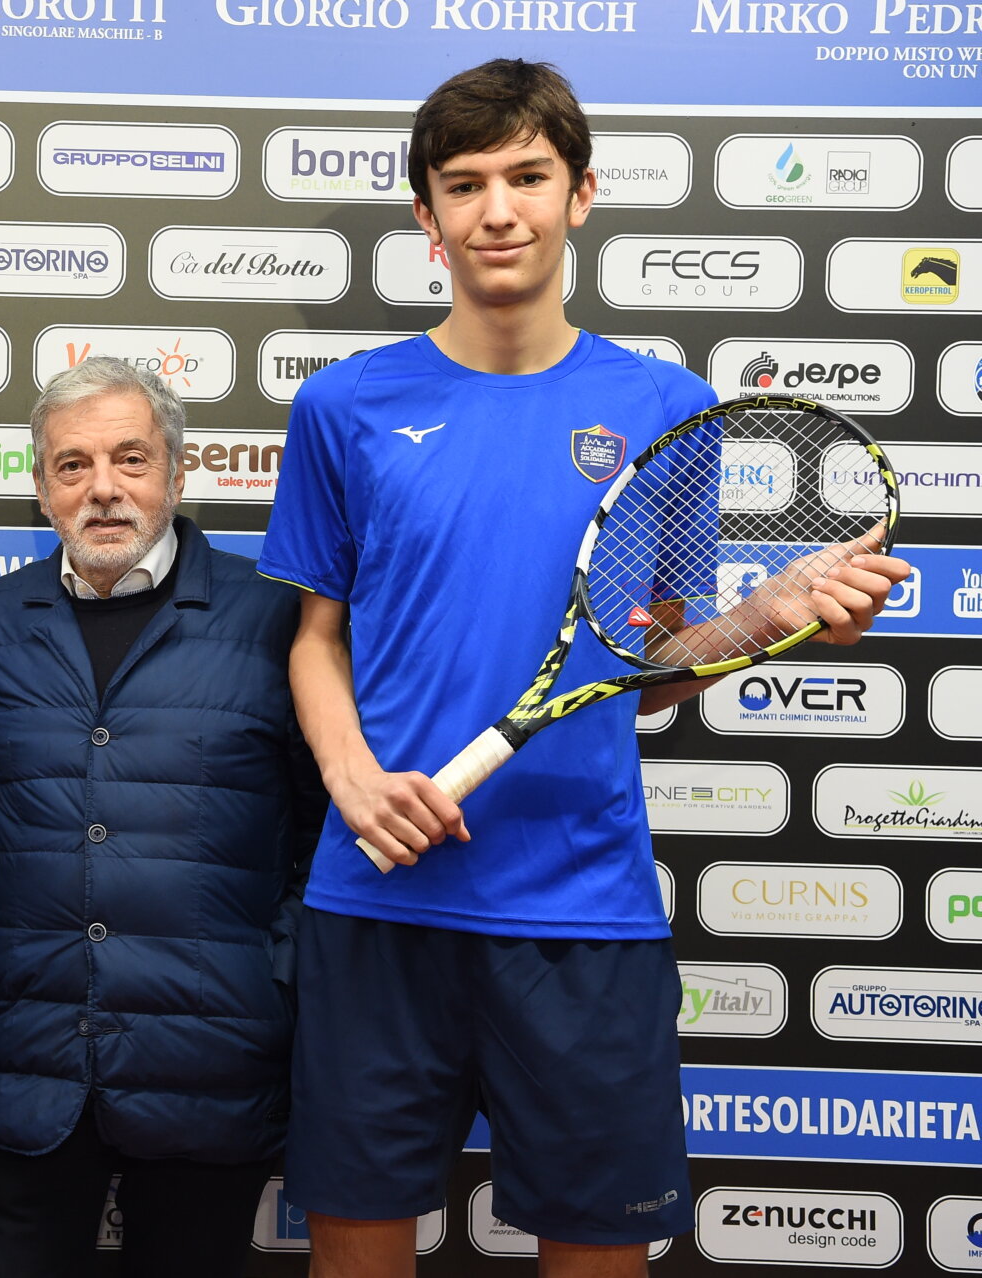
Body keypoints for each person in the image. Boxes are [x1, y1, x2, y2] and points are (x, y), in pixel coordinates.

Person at [257, 59, 913, 1278]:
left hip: (581, 910)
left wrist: (763, 615)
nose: (496, 209)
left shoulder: (661, 403)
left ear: (582, 194)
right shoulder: (344, 405)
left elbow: (649, 664)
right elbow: (316, 641)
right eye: (464, 184)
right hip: (377, 902)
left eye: (527, 176)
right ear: (425, 217)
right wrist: (350, 780)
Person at [0, 356, 323, 1278]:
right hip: (23, 1073)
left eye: (131, 459)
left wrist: (273, 980)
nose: (104, 489)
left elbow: (327, 831)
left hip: (214, 1064)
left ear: (177, 470)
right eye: (73, 466)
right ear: (42, 490)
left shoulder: (274, 620)